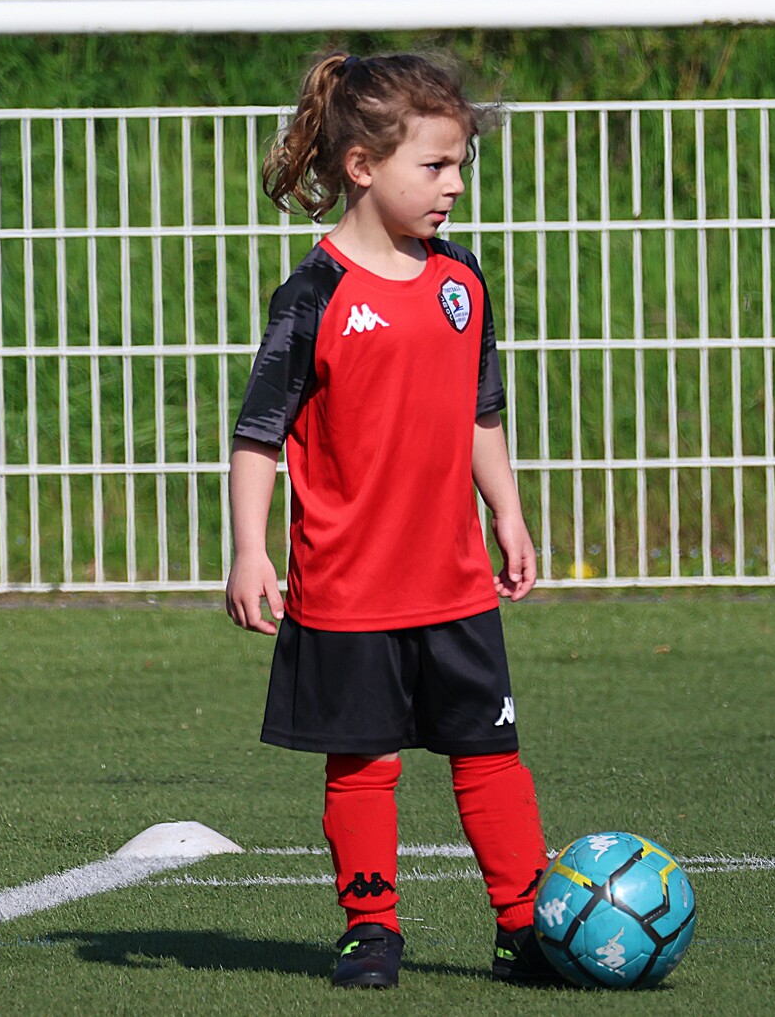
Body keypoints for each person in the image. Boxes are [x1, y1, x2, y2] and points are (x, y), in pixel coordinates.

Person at [224, 51, 560, 989]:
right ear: (363, 166)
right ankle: (370, 929)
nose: (455, 185)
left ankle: (524, 926)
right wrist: (250, 550)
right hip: (349, 585)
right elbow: (258, 435)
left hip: (454, 579)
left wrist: (508, 514)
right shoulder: (314, 294)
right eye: (436, 165)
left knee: (490, 753)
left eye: (461, 165)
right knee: (364, 762)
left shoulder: (462, 280)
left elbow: (481, 413)